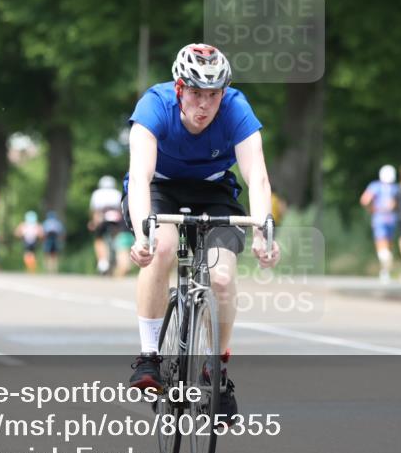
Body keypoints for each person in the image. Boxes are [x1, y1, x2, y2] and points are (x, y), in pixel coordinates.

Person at [124, 43, 281, 421]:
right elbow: (141, 176)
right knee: (162, 248)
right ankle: (149, 357)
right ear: (179, 89)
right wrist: (142, 235)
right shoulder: (154, 105)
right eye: (196, 93)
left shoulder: (237, 109)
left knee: (223, 279)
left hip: (214, 192)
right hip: (160, 188)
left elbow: (256, 177)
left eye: (213, 95)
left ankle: (217, 371)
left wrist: (263, 231)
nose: (204, 104)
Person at [360, 164, 399, 282]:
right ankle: (386, 270)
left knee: (381, 244)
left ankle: (385, 267)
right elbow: (397, 203)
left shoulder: (375, 186)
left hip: (379, 217)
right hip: (392, 217)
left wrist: (371, 209)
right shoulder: (396, 188)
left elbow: (364, 200)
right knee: (389, 243)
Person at [89, 176, 123, 275]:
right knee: (115, 237)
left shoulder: (97, 194)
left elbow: (95, 211)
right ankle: (115, 255)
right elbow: (121, 210)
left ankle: (103, 262)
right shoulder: (117, 193)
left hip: (102, 219)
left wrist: (93, 222)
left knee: (98, 239)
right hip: (116, 220)